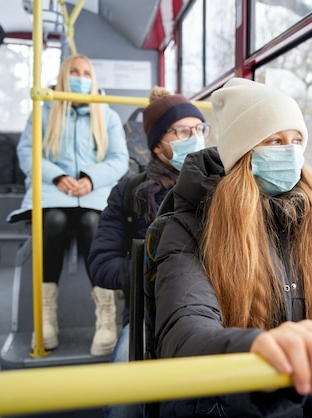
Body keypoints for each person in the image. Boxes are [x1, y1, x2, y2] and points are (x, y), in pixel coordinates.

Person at [153, 77, 312, 417]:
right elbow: (184, 329)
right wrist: (257, 350)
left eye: (296, 141)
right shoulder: (189, 227)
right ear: (243, 153)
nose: (289, 151)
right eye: (275, 140)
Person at [88, 86, 208, 418]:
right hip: (147, 314)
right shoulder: (129, 193)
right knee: (125, 401)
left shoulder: (222, 186)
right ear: (158, 144)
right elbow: (100, 263)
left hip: (213, 311)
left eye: (199, 129)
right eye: (182, 131)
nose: (194, 137)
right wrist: (150, 273)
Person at [7, 54, 129, 356]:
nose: (80, 77)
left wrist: (90, 179)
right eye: (74, 72)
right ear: (63, 77)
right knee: (55, 222)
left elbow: (118, 160)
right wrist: (58, 176)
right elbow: (28, 152)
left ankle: (106, 316)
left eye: (86, 73)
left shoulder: (108, 116)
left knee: (92, 223)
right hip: (54, 193)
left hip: (93, 194)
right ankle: (46, 315)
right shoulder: (45, 111)